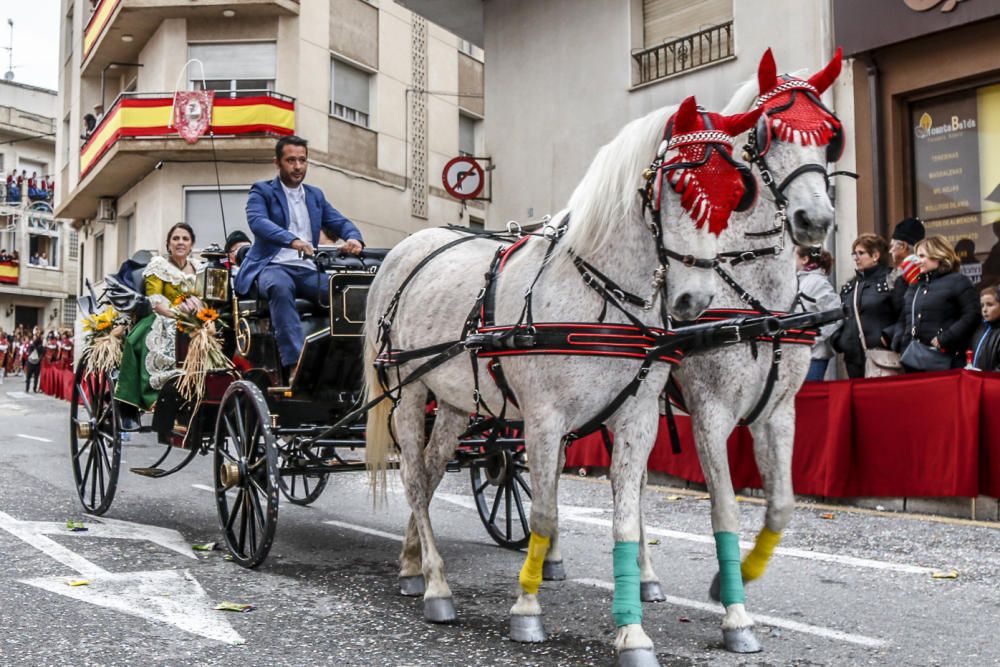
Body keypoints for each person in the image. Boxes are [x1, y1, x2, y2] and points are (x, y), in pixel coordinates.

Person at [236, 135, 364, 379]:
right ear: (278, 163)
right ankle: (296, 365)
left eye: (302, 160)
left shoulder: (315, 195)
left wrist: (354, 238)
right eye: (291, 160)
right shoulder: (262, 191)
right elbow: (258, 222)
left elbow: (338, 221)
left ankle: (350, 365)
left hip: (306, 269)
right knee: (280, 287)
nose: (297, 166)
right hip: (271, 266)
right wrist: (292, 240)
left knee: (346, 294)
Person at [115, 223, 203, 429]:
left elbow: (204, 298)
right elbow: (155, 299)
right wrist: (177, 314)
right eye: (176, 238)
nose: (180, 242)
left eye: (185, 239)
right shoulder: (158, 265)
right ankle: (152, 397)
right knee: (151, 336)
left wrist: (199, 315)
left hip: (195, 319)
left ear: (192, 245)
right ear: (168, 244)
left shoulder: (200, 268)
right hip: (162, 316)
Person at [892, 235, 979, 371]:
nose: (917, 261)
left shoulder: (958, 281)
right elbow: (904, 317)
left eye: (922, 256)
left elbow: (972, 315)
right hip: (913, 360)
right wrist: (899, 342)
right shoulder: (915, 286)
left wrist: (945, 338)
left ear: (938, 256)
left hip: (947, 361)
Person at [833, 234, 901, 379]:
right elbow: (840, 316)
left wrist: (887, 336)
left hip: (882, 356)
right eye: (854, 254)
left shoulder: (892, 280)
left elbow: (905, 315)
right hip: (852, 358)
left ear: (875, 255)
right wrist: (839, 340)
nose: (856, 258)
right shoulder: (850, 286)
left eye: (861, 253)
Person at [795, 247, 842, 381]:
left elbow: (835, 316)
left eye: (795, 256)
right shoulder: (801, 281)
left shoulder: (817, 282)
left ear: (805, 259)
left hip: (813, 356)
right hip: (801, 353)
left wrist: (813, 339)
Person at [969, 286, 1000, 372]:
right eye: (982, 306)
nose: (985, 310)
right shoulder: (980, 330)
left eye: (990, 305)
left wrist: (987, 379)